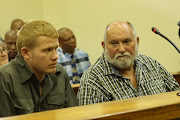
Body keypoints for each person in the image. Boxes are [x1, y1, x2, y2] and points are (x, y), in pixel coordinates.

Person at [77, 21, 180, 105]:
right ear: (104, 46)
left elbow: (177, 95)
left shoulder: (151, 64)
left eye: (126, 41)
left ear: (137, 42)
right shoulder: (92, 80)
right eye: (114, 43)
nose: (121, 49)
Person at [0, 20, 78, 117]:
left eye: (56, 49)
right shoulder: (5, 77)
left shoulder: (59, 73)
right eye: (48, 50)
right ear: (26, 53)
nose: (56, 56)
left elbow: (74, 115)